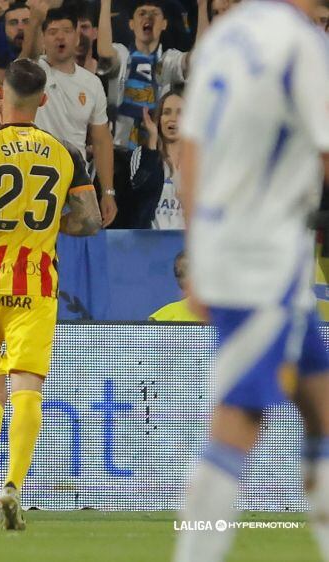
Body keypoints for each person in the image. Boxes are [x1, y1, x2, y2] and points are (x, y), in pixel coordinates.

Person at [174, 0, 329, 557]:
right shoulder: (302, 45)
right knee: (239, 418)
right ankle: (196, 553)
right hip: (267, 253)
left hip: (232, 242)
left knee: (322, 402)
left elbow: (189, 149)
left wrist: (198, 252)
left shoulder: (224, 38)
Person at [0, 59, 102, 530]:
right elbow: (90, 221)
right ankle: (14, 482)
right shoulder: (66, 152)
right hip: (35, 283)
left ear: (1, 93)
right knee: (27, 385)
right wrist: (52, 222)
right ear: (45, 100)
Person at [24, 1, 118, 227]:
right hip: (33, 178)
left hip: (74, 183)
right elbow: (25, 59)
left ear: (78, 36)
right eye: (53, 32)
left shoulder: (92, 84)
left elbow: (102, 140)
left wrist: (108, 191)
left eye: (67, 31)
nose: (60, 38)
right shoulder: (33, 74)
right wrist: (35, 21)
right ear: (43, 38)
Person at [97, 0, 207, 148]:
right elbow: (104, 52)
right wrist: (105, 4)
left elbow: (197, 59)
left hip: (156, 151)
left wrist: (203, 7)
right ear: (131, 24)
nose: (148, 18)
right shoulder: (122, 55)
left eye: (155, 14)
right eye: (142, 13)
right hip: (119, 150)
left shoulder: (169, 60)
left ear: (164, 24)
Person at [129, 89, 184, 229]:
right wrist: (152, 142)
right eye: (166, 112)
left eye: (180, 113)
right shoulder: (142, 154)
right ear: (159, 119)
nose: (173, 118)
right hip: (151, 242)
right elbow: (141, 189)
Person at [149, 251, 200, 321]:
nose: (184, 280)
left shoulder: (219, 312)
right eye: (178, 275)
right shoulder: (164, 317)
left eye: (189, 271)